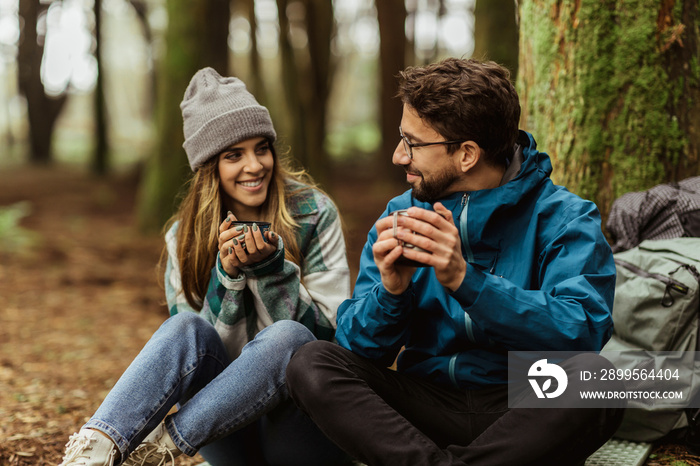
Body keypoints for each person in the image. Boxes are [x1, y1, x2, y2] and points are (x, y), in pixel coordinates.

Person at [285, 58, 625, 465]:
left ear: (467, 154)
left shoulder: (565, 218)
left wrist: (467, 281)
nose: (398, 156)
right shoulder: (400, 216)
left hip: (523, 404)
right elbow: (359, 347)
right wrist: (392, 293)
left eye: (413, 143)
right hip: (426, 401)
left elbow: (582, 330)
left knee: (599, 378)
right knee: (311, 362)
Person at [59, 68, 352, 466]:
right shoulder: (183, 236)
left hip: (303, 427)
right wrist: (228, 281)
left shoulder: (314, 213)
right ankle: (94, 451)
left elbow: (331, 341)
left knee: (289, 336)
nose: (255, 165)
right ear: (208, 167)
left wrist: (271, 272)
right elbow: (196, 359)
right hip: (227, 430)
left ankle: (157, 450)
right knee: (185, 327)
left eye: (262, 147)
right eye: (234, 155)